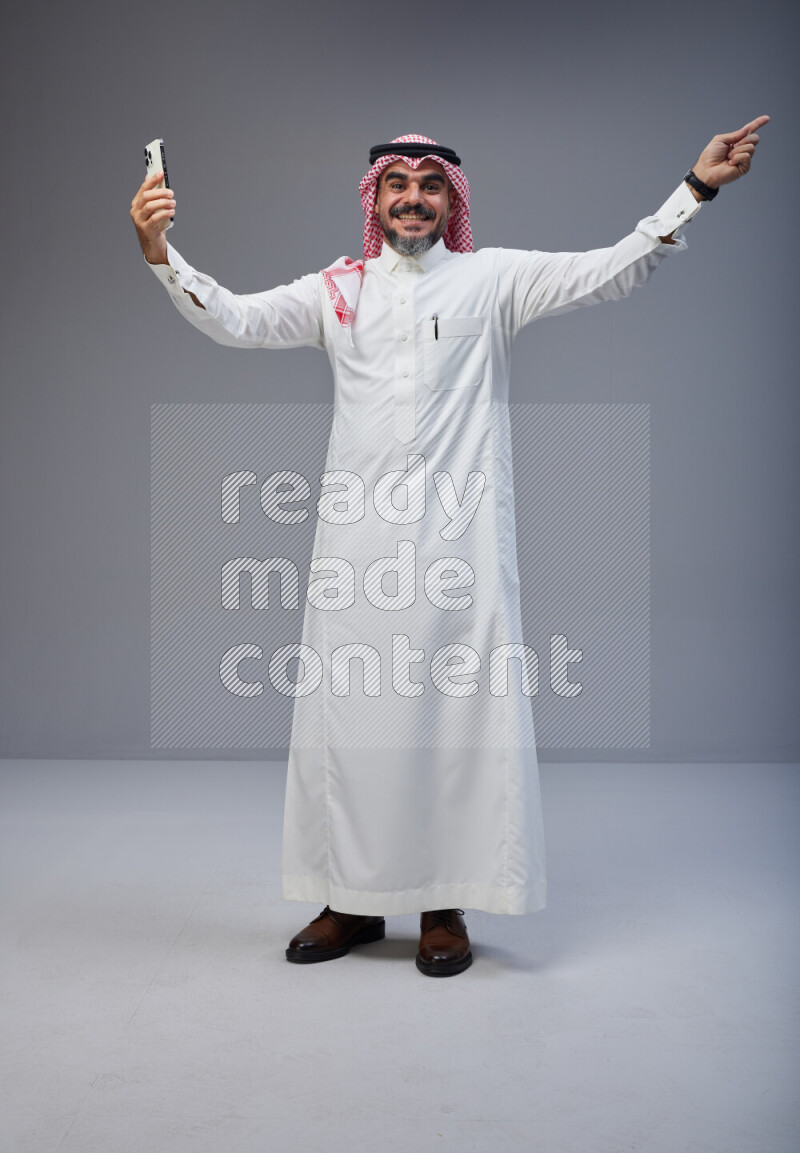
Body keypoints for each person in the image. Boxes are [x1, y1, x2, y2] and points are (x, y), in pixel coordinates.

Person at [131, 120, 768, 978]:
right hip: (355, 552)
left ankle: (442, 905)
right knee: (351, 723)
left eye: (431, 185)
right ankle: (350, 901)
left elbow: (612, 269)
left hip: (461, 549)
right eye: (399, 184)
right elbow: (238, 321)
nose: (414, 198)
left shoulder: (491, 279)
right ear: (376, 199)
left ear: (451, 201)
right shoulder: (339, 288)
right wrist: (159, 251)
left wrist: (696, 188)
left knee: (456, 727)